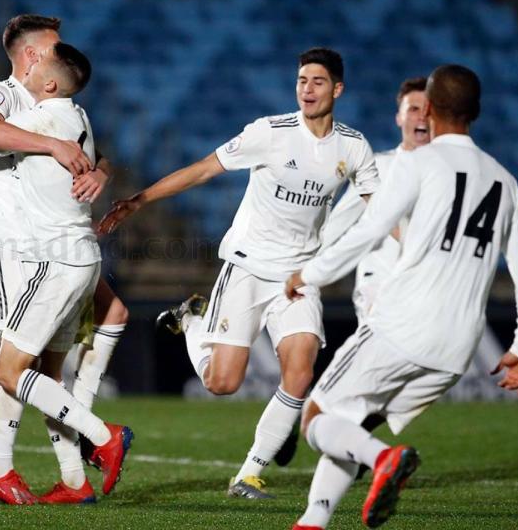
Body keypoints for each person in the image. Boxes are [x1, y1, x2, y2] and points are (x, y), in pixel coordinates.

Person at [98, 48, 378, 499]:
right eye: (302, 80)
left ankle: (248, 473)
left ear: (337, 89)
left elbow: (380, 209)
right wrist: (140, 200)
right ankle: (192, 322)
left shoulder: (353, 147)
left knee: (300, 372)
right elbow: (204, 169)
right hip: (248, 266)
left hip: (298, 277)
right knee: (222, 383)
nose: (307, 89)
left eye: (317, 81)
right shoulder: (270, 133)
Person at [285, 64, 518, 529]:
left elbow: (369, 229)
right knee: (352, 419)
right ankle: (313, 520)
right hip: (456, 348)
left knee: (318, 416)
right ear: (476, 112)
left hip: (400, 325)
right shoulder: (505, 181)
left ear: (434, 107)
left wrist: (311, 274)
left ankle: (385, 460)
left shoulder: (418, 162)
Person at [0, 14, 129, 505]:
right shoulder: (2, 94)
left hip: (46, 247)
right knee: (17, 359)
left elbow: (98, 152)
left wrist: (99, 171)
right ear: (34, 56)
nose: (60, 51)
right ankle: (3, 469)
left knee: (31, 363)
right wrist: (51, 145)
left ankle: (72, 479)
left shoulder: (59, 103)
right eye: (55, 46)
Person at [320, 76, 430, 324]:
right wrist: (302, 272)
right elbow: (336, 225)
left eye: (428, 110)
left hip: (430, 292)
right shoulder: (378, 166)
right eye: (413, 109)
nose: (421, 117)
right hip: (381, 287)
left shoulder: (451, 175)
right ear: (399, 117)